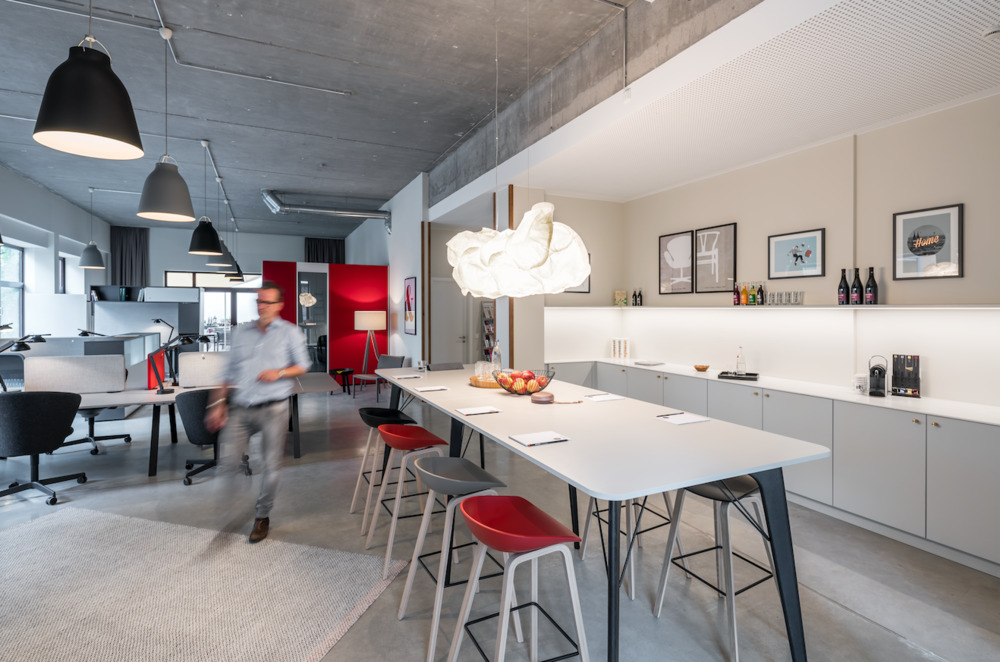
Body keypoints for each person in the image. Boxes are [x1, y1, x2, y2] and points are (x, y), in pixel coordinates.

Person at [205, 281, 311, 542]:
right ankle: (229, 509)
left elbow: (303, 365)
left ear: (280, 305)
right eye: (259, 301)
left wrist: (280, 372)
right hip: (241, 408)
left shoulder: (290, 332)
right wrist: (217, 405)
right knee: (228, 463)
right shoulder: (241, 333)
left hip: (274, 409)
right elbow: (227, 373)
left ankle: (262, 516)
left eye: (267, 302)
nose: (262, 306)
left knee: (271, 466)